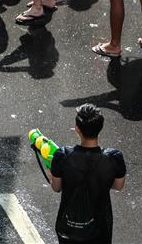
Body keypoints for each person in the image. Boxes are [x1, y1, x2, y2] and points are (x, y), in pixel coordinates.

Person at [50, 104, 126, 244]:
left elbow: (56, 187)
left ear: (77, 129)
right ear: (100, 128)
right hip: (100, 226)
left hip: (70, 224)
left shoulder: (62, 155)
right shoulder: (114, 157)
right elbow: (118, 186)